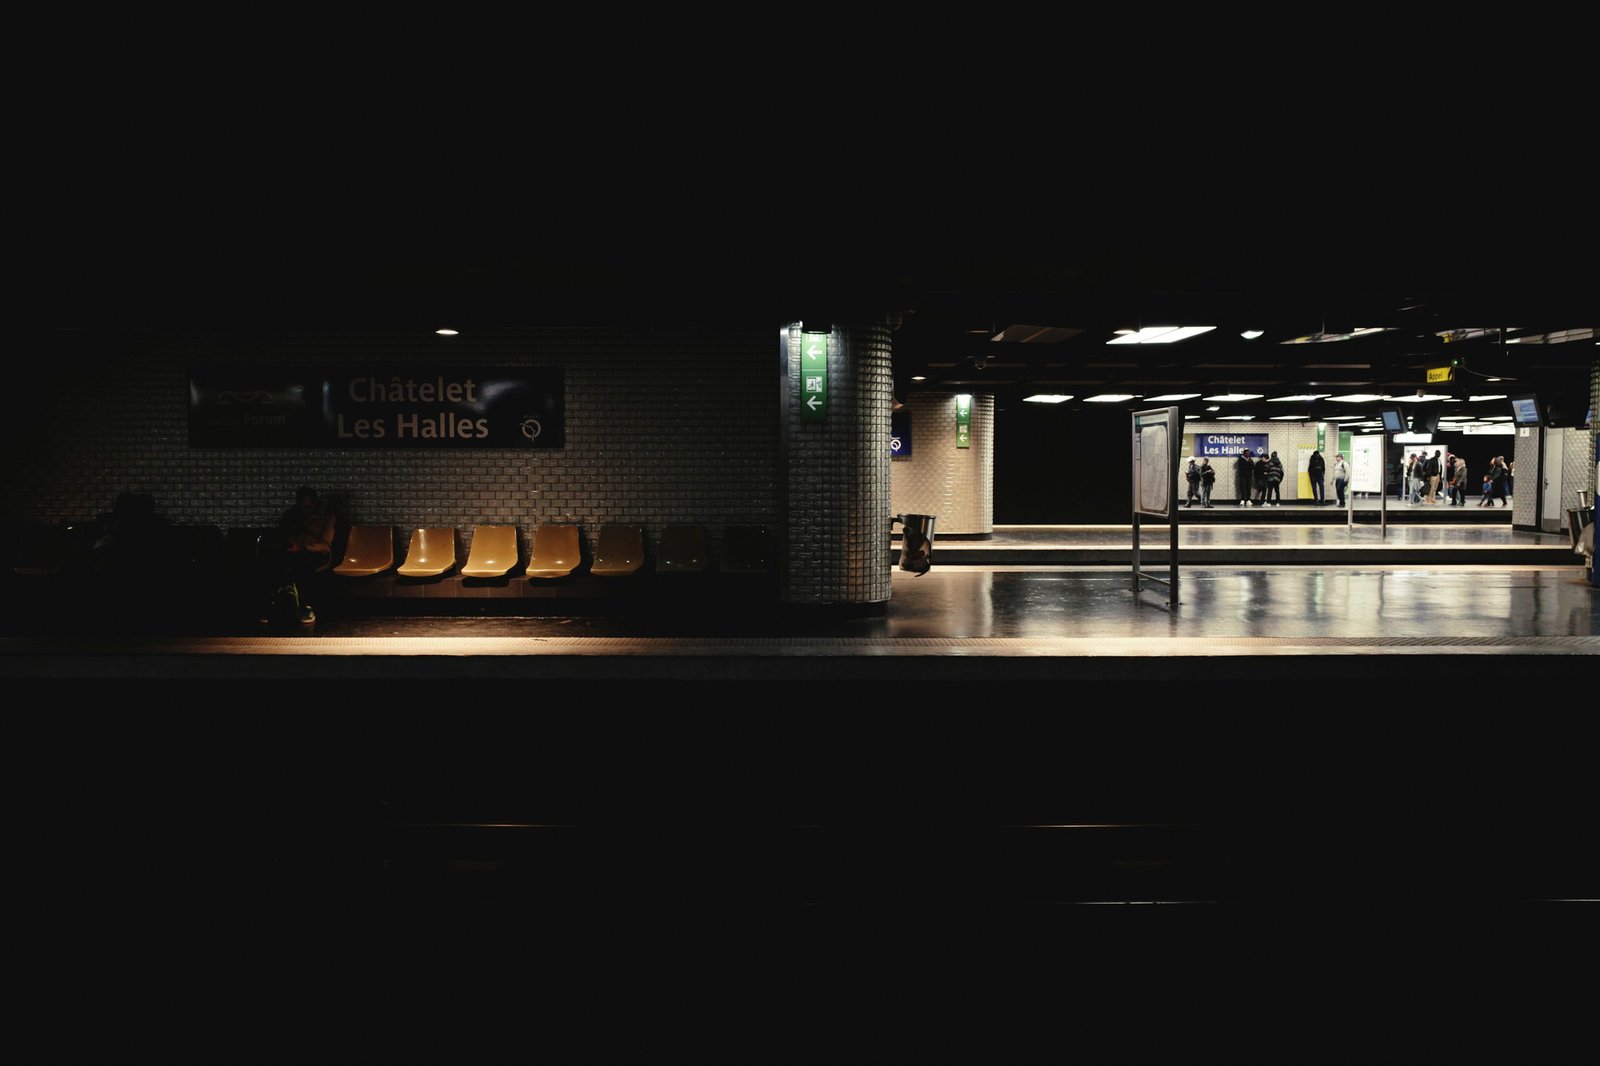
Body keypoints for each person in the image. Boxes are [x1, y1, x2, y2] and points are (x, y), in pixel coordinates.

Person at [261, 485, 335, 623]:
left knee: (302, 565)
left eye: (307, 507)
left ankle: (306, 606)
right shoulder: (291, 515)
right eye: (300, 507)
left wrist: (302, 548)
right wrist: (286, 544)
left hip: (314, 554)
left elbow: (325, 546)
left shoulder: (326, 517)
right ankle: (271, 605)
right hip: (291, 552)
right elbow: (281, 535)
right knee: (270, 562)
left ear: (314, 504)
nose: (303, 511)